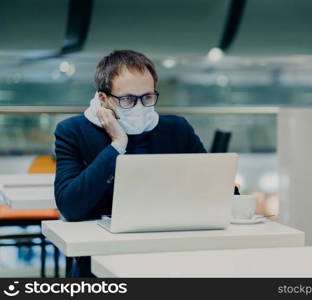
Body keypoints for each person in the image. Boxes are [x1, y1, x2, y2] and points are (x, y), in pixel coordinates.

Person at [54, 50, 239, 277]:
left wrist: (227, 191)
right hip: (101, 257)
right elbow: (70, 206)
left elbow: (217, 190)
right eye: (128, 99)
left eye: (147, 97)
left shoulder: (177, 129)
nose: (140, 107)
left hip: (173, 255)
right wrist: (117, 145)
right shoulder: (73, 131)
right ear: (103, 99)